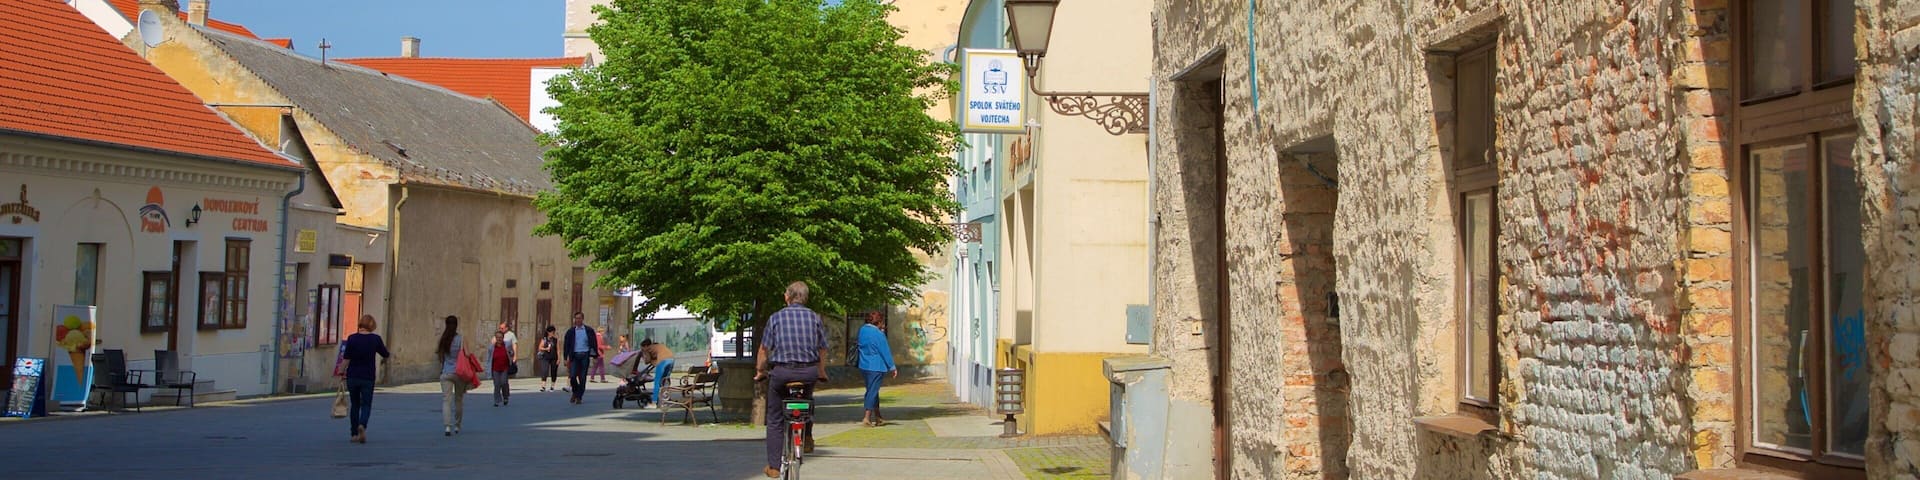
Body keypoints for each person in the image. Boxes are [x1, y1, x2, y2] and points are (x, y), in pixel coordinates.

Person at [756, 281, 828, 478]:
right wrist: (821, 371)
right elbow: (822, 348)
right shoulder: (815, 318)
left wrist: (760, 371)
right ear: (804, 298)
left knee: (775, 418)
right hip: (808, 372)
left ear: (787, 297)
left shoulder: (776, 318)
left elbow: (764, 350)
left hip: (782, 373)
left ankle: (773, 466)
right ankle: (808, 436)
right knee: (806, 400)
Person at [337, 314, 389, 444]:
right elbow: (385, 353)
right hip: (368, 377)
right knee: (366, 404)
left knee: (355, 405)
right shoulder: (375, 339)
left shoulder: (352, 338)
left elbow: (346, 358)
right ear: (372, 325)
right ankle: (362, 424)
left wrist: (341, 372)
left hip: (353, 376)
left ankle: (354, 434)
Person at [855, 313, 897, 427]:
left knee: (873, 390)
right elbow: (884, 350)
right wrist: (892, 367)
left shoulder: (862, 330)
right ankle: (867, 417)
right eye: (882, 322)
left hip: (864, 365)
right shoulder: (878, 334)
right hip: (876, 366)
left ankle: (878, 417)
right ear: (878, 322)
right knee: (872, 391)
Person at [435, 315, 467, 436]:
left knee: (446, 400)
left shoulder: (442, 339)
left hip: (446, 372)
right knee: (458, 399)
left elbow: (440, 357)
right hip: (458, 372)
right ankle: (457, 425)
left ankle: (447, 426)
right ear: (456, 325)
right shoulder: (461, 339)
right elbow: (467, 354)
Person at [561, 312, 600, 404]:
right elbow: (566, 345)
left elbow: (594, 344)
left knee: (582, 378)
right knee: (573, 376)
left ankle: (579, 397)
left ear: (582, 319)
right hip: (574, 356)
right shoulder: (571, 331)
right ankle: (575, 392)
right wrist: (565, 358)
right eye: (576, 318)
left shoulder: (589, 330)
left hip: (585, 355)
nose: (577, 320)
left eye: (579, 318)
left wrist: (595, 356)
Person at [642, 337, 675, 407]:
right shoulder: (658, 346)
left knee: (657, 381)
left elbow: (647, 361)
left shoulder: (648, 349)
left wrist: (644, 354)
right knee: (665, 380)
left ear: (646, 346)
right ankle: (666, 399)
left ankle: (654, 403)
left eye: (642, 348)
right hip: (671, 359)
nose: (642, 349)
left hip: (663, 361)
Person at [486, 330, 515, 407]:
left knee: (504, 383)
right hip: (495, 369)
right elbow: (488, 359)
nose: (499, 339)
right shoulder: (491, 347)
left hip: (504, 368)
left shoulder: (507, 345)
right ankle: (497, 400)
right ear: (495, 338)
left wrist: (511, 353)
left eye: (501, 337)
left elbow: (512, 353)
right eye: (497, 337)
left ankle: (505, 397)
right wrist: (487, 368)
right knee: (497, 385)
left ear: (503, 338)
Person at [538, 326, 560, 391]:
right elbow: (540, 348)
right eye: (551, 332)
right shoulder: (544, 339)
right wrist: (546, 349)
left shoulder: (556, 340)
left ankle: (552, 386)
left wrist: (558, 359)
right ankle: (543, 386)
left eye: (553, 332)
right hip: (545, 357)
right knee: (544, 371)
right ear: (548, 332)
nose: (553, 333)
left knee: (554, 371)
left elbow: (558, 350)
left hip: (554, 357)